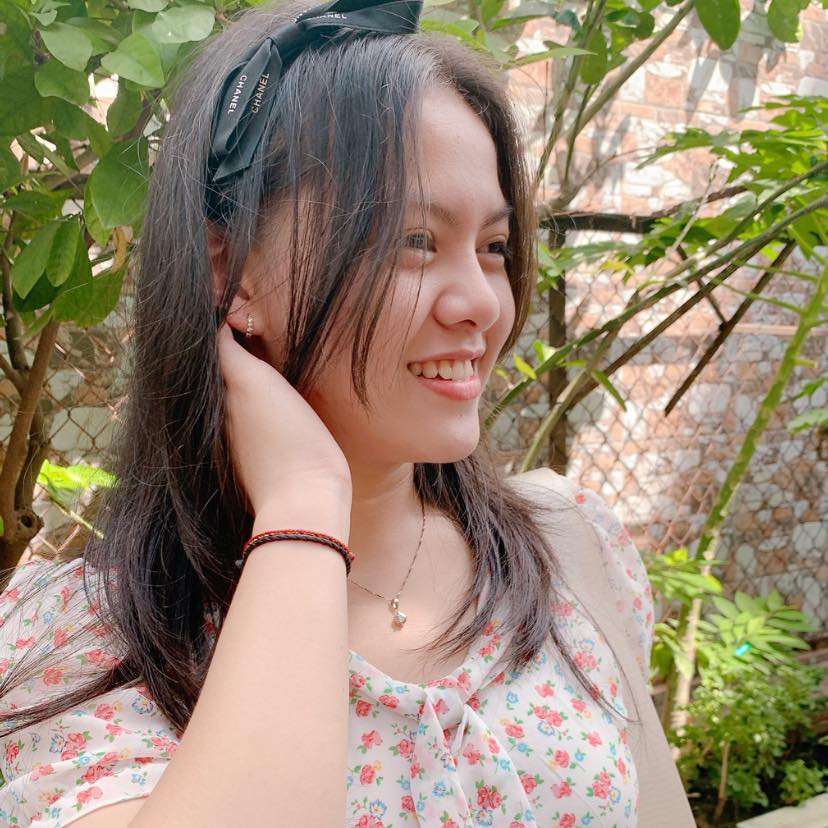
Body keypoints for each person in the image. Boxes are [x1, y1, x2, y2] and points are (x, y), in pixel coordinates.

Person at [0, 0, 694, 825]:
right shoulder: (83, 646)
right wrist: (303, 503)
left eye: (494, 247)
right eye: (413, 241)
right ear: (232, 273)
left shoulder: (568, 550)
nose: (482, 302)